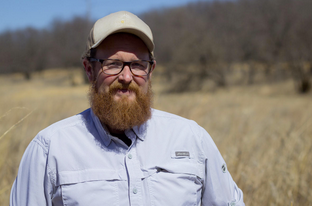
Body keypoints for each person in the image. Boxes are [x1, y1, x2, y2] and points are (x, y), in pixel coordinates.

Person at [10, 11, 245, 206]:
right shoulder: (50, 149)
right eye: (112, 64)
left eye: (137, 65)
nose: (126, 76)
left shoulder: (192, 139)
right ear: (89, 70)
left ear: (150, 71)